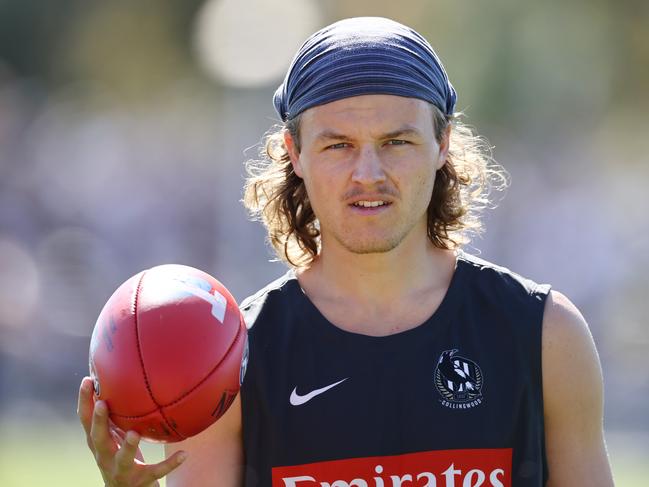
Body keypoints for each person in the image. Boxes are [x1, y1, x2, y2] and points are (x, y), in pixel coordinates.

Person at [78, 17, 615, 487]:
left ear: (443, 142)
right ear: (295, 153)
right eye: (338, 145)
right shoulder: (228, 363)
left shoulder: (544, 334)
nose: (368, 174)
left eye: (396, 142)